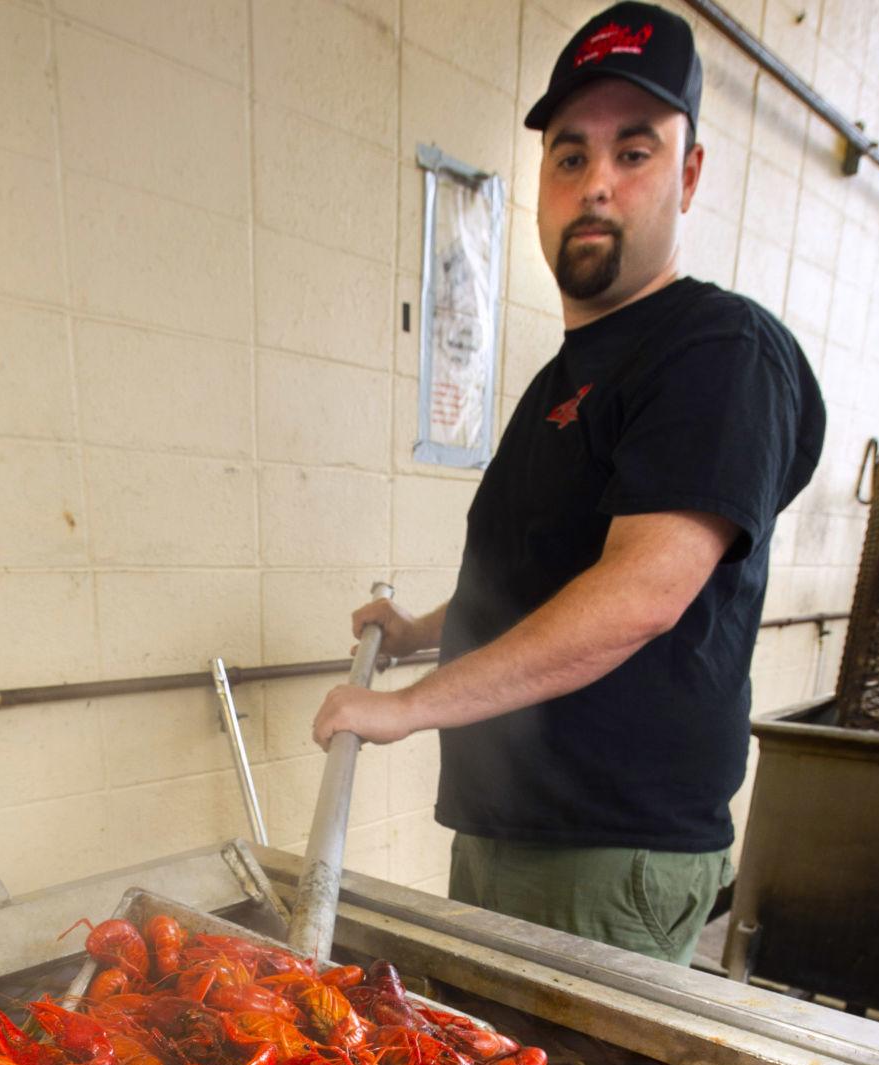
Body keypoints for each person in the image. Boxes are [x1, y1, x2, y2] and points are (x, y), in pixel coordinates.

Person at [312, 3, 825, 966]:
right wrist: (423, 630)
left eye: (633, 154)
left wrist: (410, 705)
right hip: (510, 825)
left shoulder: (715, 349)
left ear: (689, 173)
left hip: (606, 851)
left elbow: (640, 589)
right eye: (569, 157)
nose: (595, 186)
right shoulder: (569, 374)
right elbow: (545, 578)